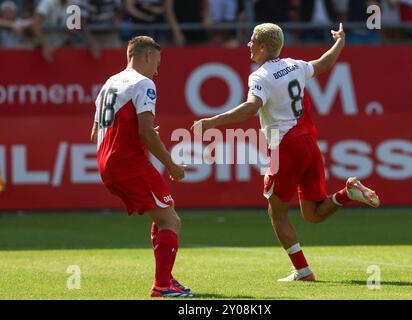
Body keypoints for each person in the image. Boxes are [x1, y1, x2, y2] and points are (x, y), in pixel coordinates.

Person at [191, 23, 380, 282]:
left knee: (277, 212)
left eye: (252, 41)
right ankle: (348, 193)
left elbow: (249, 108)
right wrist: (340, 42)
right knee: (312, 214)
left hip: (286, 147)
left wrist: (211, 122)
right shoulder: (295, 65)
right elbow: (324, 63)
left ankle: (303, 271)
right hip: (308, 142)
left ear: (263, 46)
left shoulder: (259, 76)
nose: (248, 45)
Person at [90, 36, 193, 297]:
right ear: (146, 56)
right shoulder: (143, 83)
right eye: (157, 62)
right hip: (128, 162)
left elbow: (95, 135)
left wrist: (136, 133)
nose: (157, 70)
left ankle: (166, 277)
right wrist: (171, 164)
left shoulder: (109, 84)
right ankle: (161, 285)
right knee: (171, 220)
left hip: (106, 163)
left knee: (163, 214)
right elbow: (147, 132)